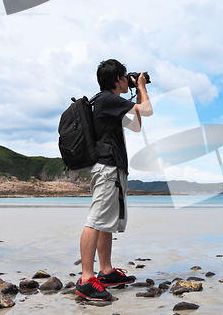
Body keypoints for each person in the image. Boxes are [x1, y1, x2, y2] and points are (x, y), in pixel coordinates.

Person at [76, 59, 153, 301]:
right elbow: (149, 110)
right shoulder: (107, 99)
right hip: (107, 168)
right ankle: (86, 279)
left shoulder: (110, 103)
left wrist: (140, 92)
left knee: (106, 221)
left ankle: (106, 271)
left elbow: (137, 125)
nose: (127, 80)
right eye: (125, 77)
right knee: (96, 220)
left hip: (112, 167)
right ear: (117, 79)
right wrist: (140, 86)